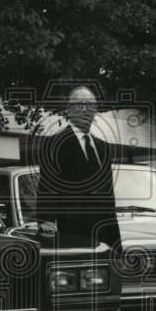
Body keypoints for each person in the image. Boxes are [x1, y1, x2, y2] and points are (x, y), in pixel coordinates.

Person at [34, 85, 121, 248]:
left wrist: (117, 244)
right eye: (80, 104)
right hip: (73, 231)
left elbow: (109, 195)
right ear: (69, 109)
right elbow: (47, 185)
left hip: (106, 232)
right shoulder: (53, 144)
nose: (85, 110)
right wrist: (46, 219)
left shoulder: (103, 148)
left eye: (90, 105)